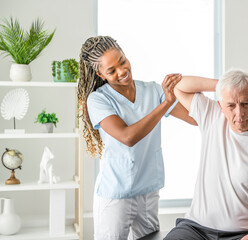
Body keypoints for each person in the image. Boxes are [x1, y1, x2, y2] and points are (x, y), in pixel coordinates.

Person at [77, 36, 196, 240]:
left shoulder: (152, 90)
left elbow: (195, 118)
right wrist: (166, 104)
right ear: (100, 74)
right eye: (111, 70)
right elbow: (127, 136)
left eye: (122, 61)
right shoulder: (98, 99)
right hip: (116, 194)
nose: (122, 71)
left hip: (148, 191)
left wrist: (242, 116)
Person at [165, 69, 248, 240]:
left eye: (245, 104)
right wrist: (225, 85)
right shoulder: (211, 115)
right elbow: (178, 86)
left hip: (247, 233)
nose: (239, 114)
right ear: (221, 105)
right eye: (231, 106)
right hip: (196, 229)